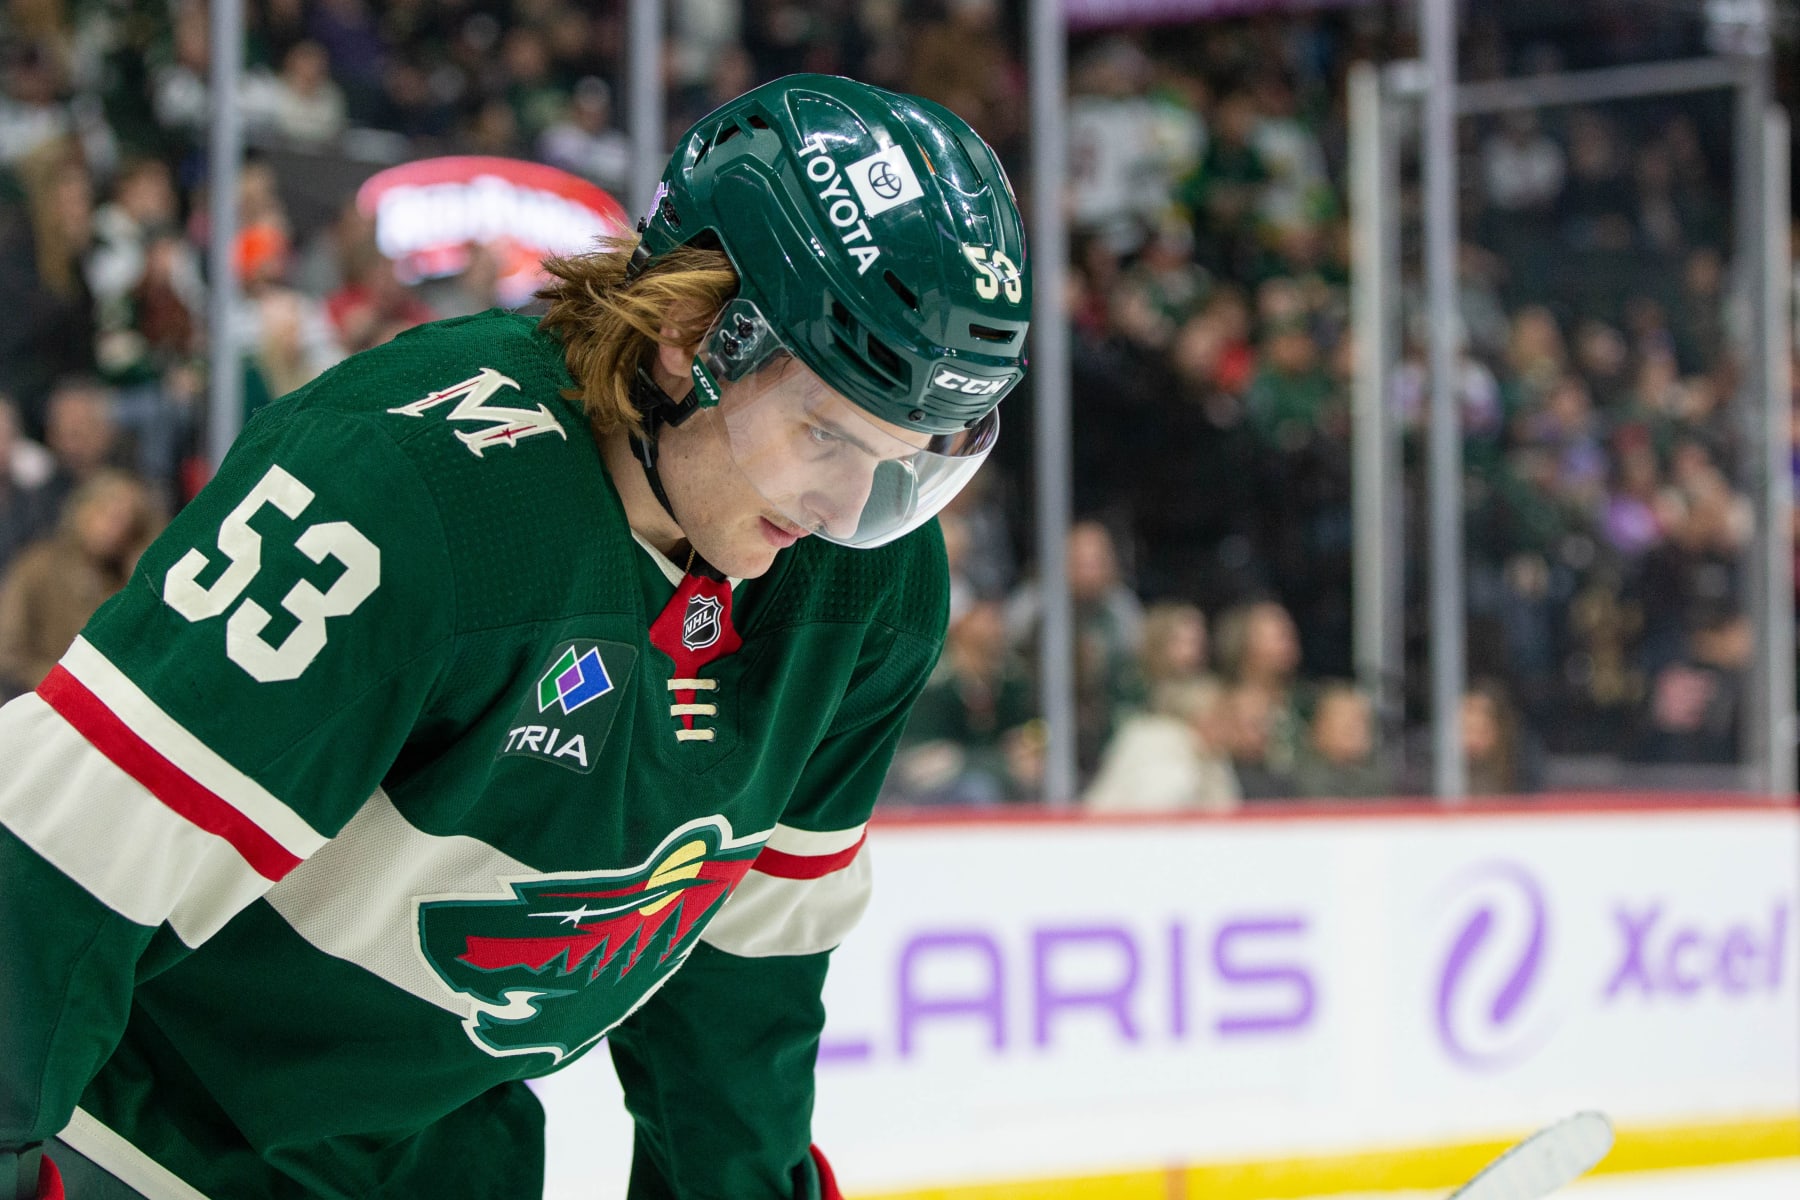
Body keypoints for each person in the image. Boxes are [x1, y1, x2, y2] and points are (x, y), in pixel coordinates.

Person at [0, 74, 1029, 1200]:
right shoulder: (403, 489)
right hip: (137, 1138)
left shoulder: (862, 591)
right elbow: (53, 870)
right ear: (696, 335)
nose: (848, 511)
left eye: (908, 465)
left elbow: (743, 991)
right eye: (826, 435)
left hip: (431, 1164)